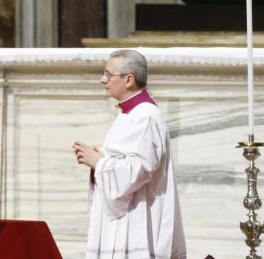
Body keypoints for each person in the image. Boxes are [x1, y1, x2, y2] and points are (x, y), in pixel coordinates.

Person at [73, 49, 186, 259]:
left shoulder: (146, 116)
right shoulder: (130, 114)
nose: (102, 79)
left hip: (138, 218)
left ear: (129, 79)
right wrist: (100, 157)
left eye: (108, 74)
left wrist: (100, 163)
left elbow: (140, 170)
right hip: (127, 215)